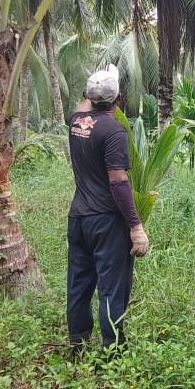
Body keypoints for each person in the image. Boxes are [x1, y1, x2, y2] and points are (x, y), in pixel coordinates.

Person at [66, 65, 150, 353]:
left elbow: (85, 104)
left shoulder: (77, 122)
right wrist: (136, 227)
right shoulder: (113, 130)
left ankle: (77, 346)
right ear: (119, 98)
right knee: (112, 289)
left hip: (78, 219)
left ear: (88, 96)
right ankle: (113, 351)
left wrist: (99, 80)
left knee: (78, 285)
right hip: (105, 221)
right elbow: (119, 182)